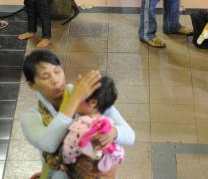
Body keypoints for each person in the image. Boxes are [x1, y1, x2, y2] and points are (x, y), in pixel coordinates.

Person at [20, 50, 135, 179]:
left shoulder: (88, 97)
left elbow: (130, 136)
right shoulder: (30, 117)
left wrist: (113, 132)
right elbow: (49, 145)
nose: (56, 80)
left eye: (57, 71)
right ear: (32, 85)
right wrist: (75, 99)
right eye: (46, 77)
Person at [62, 77, 124, 178]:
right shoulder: (110, 123)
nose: (73, 99)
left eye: (78, 96)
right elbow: (118, 151)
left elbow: (68, 149)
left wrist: (65, 162)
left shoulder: (81, 124)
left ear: (93, 102)